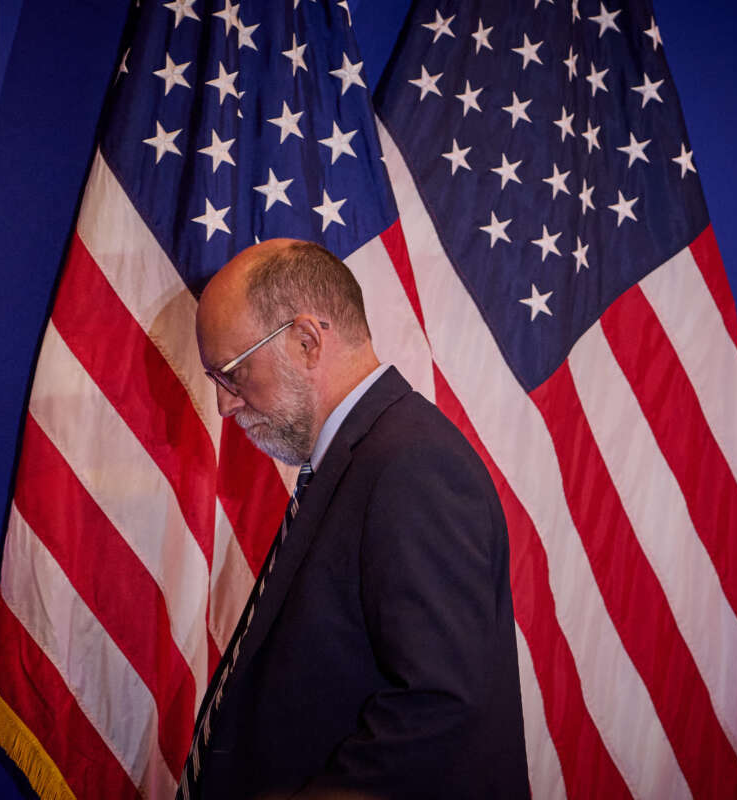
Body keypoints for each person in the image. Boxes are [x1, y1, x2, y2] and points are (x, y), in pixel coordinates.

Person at [179, 239, 529, 799]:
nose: (224, 405)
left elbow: (437, 706)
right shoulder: (360, 458)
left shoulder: (411, 465)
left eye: (232, 373)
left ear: (306, 340)